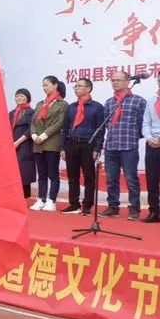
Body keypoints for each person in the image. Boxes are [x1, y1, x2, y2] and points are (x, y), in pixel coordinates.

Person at [101, 70, 146, 220]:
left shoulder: (138, 101)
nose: (115, 83)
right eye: (113, 80)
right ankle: (113, 207)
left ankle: (134, 209)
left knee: (131, 179)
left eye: (119, 80)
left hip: (128, 146)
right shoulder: (109, 102)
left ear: (127, 81)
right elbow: (107, 124)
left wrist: (132, 136)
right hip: (111, 146)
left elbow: (142, 124)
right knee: (111, 179)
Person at [60, 78, 104, 216]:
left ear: (88, 89)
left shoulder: (97, 107)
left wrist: (97, 148)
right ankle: (73, 204)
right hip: (71, 144)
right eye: (75, 86)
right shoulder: (71, 107)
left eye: (79, 86)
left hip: (88, 145)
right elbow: (65, 128)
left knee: (89, 176)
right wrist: (62, 148)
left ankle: (87, 205)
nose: (76, 88)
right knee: (72, 176)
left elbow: (100, 130)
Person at [30, 76, 67, 212]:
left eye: (47, 85)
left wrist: (44, 135)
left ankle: (51, 200)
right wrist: (34, 135)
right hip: (38, 143)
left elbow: (59, 123)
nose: (44, 88)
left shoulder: (62, 104)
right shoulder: (40, 104)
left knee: (53, 173)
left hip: (51, 143)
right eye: (43, 85)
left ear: (55, 85)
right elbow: (33, 121)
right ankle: (41, 199)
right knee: (42, 173)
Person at [10, 88, 36, 199]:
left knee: (24, 168)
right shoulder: (12, 112)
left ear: (27, 98)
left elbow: (32, 129)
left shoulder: (32, 112)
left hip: (25, 142)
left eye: (22, 96)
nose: (19, 98)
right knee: (12, 168)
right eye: (17, 96)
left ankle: (25, 195)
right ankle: (13, 194)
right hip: (11, 143)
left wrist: (18, 141)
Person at [142, 73, 160, 223]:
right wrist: (149, 138)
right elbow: (145, 123)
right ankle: (154, 210)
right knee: (152, 179)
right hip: (153, 144)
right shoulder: (151, 100)